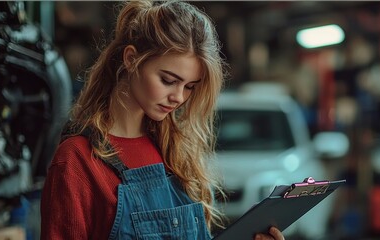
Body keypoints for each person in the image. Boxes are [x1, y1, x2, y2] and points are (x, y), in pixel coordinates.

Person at [40, 1, 285, 239]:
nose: (178, 97)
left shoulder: (178, 154)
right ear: (131, 59)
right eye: (168, 80)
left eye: (189, 86)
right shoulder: (77, 160)